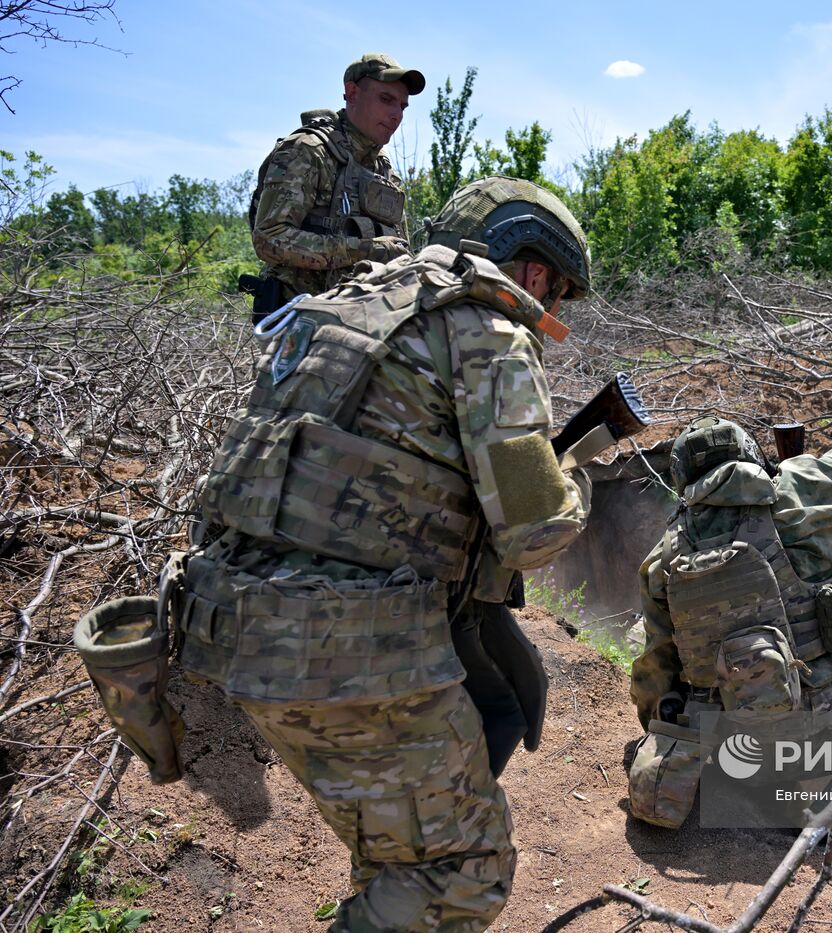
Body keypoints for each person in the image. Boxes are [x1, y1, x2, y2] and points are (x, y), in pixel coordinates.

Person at [178, 177, 592, 931]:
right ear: (533, 270)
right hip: (346, 650)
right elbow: (536, 534)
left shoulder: (334, 309)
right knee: (459, 874)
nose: (551, 309)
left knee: (406, 848)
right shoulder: (487, 331)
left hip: (226, 623)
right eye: (557, 291)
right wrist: (575, 484)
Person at [627, 417, 832, 872]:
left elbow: (654, 675)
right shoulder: (798, 497)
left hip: (728, 756)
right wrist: (797, 467)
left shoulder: (663, 558)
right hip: (817, 739)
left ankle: (764, 799)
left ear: (682, 477)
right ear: (751, 454)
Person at [249, 53, 425, 309]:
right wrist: (362, 250)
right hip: (299, 316)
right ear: (352, 93)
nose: (396, 115)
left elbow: (398, 248)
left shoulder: (384, 169)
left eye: (402, 106)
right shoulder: (308, 150)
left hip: (362, 318)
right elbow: (268, 239)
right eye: (386, 100)